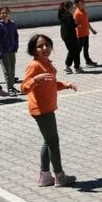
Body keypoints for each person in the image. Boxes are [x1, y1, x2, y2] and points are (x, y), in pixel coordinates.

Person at [20, 34, 77, 187]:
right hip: (42, 110)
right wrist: (34, 80)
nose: (44, 48)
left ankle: (45, 177)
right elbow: (24, 88)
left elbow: (51, 83)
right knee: (53, 142)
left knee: (48, 140)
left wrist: (66, 85)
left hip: (47, 107)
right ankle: (59, 176)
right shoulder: (35, 65)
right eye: (40, 46)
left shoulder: (46, 63)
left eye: (47, 45)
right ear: (33, 50)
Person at [0, 6, 20, 96]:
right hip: (3, 52)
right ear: (0, 15)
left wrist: (16, 46)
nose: (5, 15)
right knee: (7, 70)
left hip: (12, 50)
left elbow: (16, 36)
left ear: (9, 13)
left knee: (12, 69)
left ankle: (12, 86)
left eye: (6, 13)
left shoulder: (12, 24)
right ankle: (9, 88)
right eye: (3, 13)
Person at [73, 0, 98, 69]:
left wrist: (92, 30)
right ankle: (77, 64)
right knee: (78, 50)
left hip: (86, 33)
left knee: (86, 48)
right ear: (77, 4)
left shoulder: (84, 11)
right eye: (81, 2)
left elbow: (87, 22)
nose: (83, 3)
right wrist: (78, 26)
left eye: (83, 2)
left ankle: (88, 61)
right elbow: (74, 24)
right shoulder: (77, 13)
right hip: (80, 35)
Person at [57, 1, 81, 74]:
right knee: (75, 50)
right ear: (68, 7)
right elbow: (71, 25)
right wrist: (77, 24)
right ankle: (75, 67)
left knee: (72, 50)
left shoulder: (61, 14)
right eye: (71, 7)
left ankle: (69, 66)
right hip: (70, 35)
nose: (72, 8)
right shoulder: (68, 15)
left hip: (64, 35)